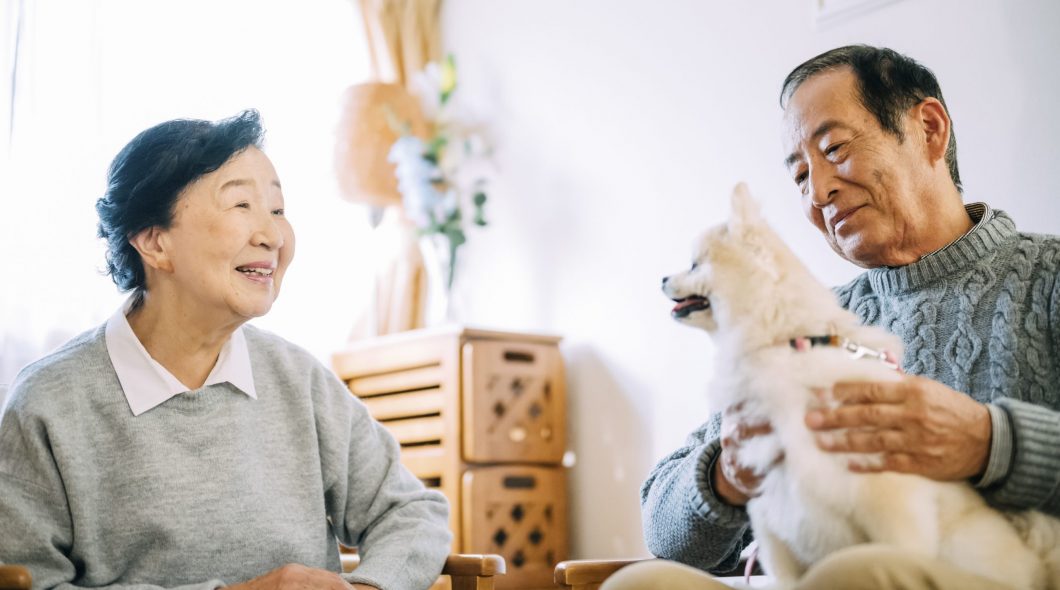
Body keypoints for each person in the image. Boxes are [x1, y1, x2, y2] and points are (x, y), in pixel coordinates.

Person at [611, 45, 1060, 589]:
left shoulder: (1048, 276)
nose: (820, 191)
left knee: (859, 574)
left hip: (1000, 571)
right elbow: (662, 528)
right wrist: (727, 475)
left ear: (930, 129)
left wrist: (989, 443)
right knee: (640, 585)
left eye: (835, 148)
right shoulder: (809, 319)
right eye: (801, 175)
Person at [0, 110, 451, 590]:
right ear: (154, 242)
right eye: (241, 206)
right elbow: (30, 581)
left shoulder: (299, 378)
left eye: (277, 210)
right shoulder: (50, 401)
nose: (273, 236)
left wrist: (369, 587)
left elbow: (410, 511)